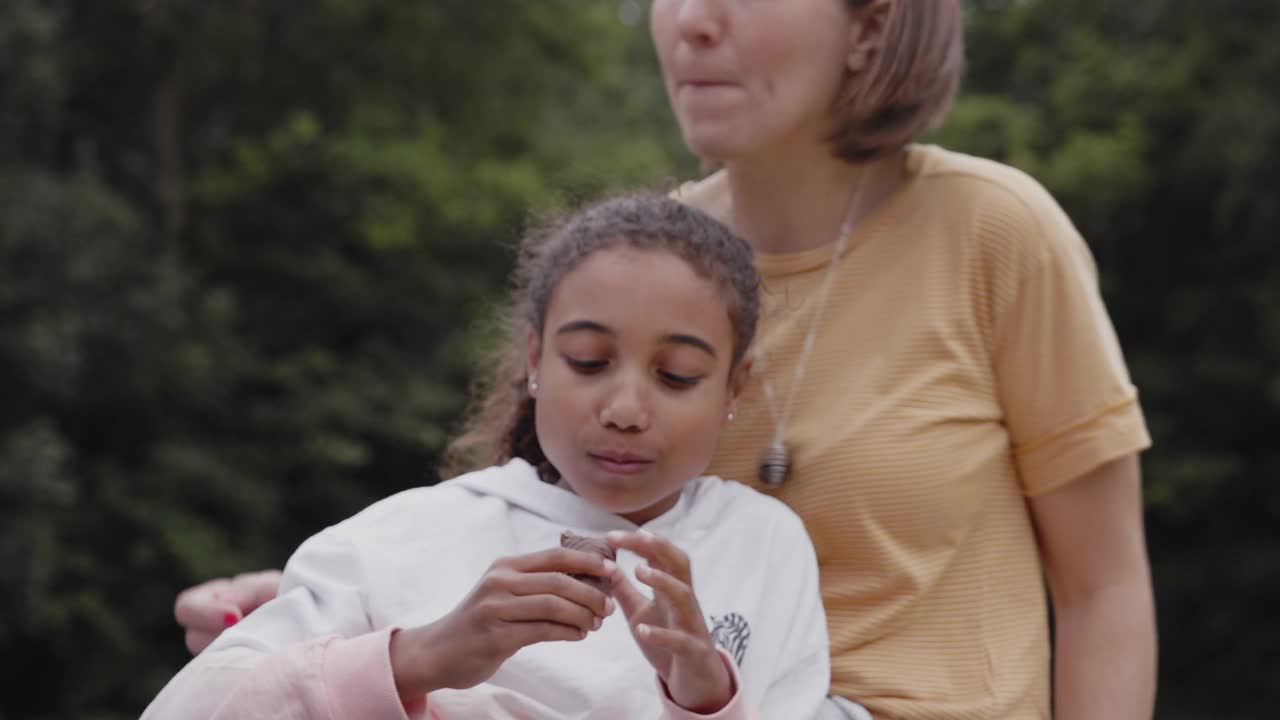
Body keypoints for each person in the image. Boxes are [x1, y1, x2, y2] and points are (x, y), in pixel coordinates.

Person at [173, 1, 1159, 718]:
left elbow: (1102, 589)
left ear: (870, 25)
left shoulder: (994, 231)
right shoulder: (649, 271)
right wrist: (334, 605)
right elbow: (527, 530)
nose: (688, 21)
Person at [144, 195, 831, 719]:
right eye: (589, 362)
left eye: (676, 374)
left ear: (734, 389)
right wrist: (422, 656)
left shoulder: (764, 547)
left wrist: (706, 699)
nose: (625, 408)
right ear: (534, 360)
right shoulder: (411, 536)